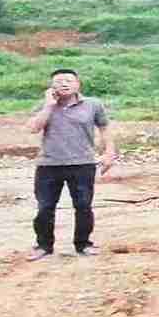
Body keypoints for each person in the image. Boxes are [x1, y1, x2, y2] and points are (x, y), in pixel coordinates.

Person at [26, 68, 116, 260]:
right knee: (45, 207)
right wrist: (49, 106)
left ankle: (83, 244)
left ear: (78, 84)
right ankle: (43, 246)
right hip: (48, 164)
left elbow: (104, 127)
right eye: (58, 81)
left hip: (83, 163)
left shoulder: (93, 105)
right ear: (51, 86)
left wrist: (109, 152)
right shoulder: (44, 105)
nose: (64, 84)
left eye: (68, 80)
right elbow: (33, 128)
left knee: (83, 206)